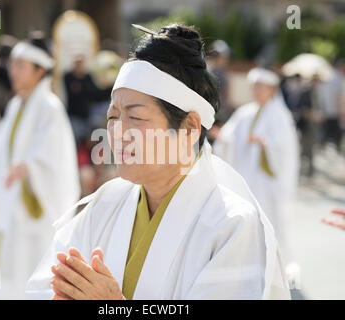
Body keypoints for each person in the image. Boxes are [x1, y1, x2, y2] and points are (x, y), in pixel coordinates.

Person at [26, 24, 290, 300]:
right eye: (113, 117)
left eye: (136, 117)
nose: (117, 132)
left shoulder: (232, 227)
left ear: (189, 127)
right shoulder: (103, 205)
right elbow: (45, 286)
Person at [0, 32, 80, 299]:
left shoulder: (49, 108)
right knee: (9, 277)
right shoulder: (15, 106)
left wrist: (29, 168)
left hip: (35, 209)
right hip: (14, 209)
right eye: (13, 64)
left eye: (21, 65)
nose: (13, 71)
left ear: (40, 70)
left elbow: (56, 160)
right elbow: (2, 155)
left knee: (33, 278)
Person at [213, 68, 299, 273]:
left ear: (271, 90)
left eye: (261, 87)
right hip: (248, 177)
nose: (257, 91)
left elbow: (285, 149)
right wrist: (222, 138)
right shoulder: (246, 112)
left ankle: (274, 264)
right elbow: (231, 137)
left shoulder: (280, 116)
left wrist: (265, 144)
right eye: (255, 87)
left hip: (267, 180)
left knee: (271, 220)